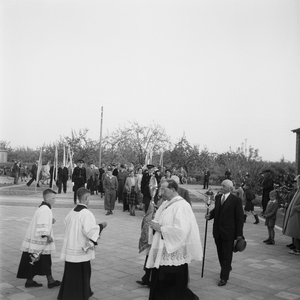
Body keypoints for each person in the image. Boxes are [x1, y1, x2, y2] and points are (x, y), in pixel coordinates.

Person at [146, 179, 202, 300]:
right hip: (162, 250)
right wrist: (153, 224)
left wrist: (161, 228)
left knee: (170, 288)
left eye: (163, 189)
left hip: (172, 253)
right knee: (159, 286)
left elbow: (181, 230)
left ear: (172, 189)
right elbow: (159, 220)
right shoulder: (167, 203)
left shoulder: (182, 205)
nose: (160, 192)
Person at [57, 188, 107, 300]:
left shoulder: (72, 211)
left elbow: (66, 224)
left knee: (71, 274)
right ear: (86, 198)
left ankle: (68, 295)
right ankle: (81, 295)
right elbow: (90, 232)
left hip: (71, 248)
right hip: (80, 250)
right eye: (89, 197)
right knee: (83, 273)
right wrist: (101, 225)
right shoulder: (86, 213)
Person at [16, 189, 61, 288]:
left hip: (35, 241)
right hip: (40, 241)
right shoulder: (45, 209)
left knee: (34, 260)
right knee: (44, 260)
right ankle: (50, 280)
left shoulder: (43, 207)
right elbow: (41, 225)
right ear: (47, 198)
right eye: (53, 198)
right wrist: (47, 236)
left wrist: (50, 221)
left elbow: (41, 221)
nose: (55, 200)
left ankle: (30, 280)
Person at [205, 179, 244, 287]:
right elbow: (217, 210)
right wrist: (210, 216)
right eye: (222, 185)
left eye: (224, 186)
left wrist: (239, 235)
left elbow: (239, 218)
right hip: (217, 231)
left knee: (227, 254)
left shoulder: (236, 200)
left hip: (229, 232)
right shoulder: (218, 198)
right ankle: (226, 267)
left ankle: (224, 277)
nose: (222, 187)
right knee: (220, 253)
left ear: (230, 188)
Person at [282, 175, 300, 255]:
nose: (296, 182)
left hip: (297, 215)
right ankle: (296, 247)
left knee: (297, 231)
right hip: (294, 214)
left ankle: (298, 249)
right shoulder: (297, 190)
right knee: (295, 231)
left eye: (297, 180)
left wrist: (296, 208)